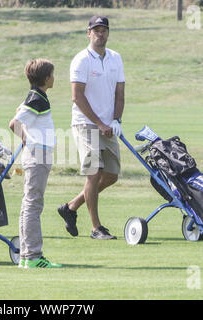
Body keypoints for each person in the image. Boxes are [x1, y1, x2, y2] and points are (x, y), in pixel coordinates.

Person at [58, 15, 125, 240]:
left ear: (108, 32)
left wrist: (116, 120)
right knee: (93, 173)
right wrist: (99, 123)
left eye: (103, 29)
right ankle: (96, 228)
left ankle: (71, 207)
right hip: (85, 123)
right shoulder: (81, 60)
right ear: (88, 33)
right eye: (95, 30)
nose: (100, 33)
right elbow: (77, 97)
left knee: (112, 175)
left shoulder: (116, 58)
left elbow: (120, 94)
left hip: (108, 125)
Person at [9, 59, 62, 268]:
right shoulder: (36, 98)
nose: (54, 78)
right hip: (37, 155)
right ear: (46, 78)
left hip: (38, 154)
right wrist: (24, 137)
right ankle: (32, 256)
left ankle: (26, 255)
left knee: (29, 204)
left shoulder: (37, 97)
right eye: (52, 74)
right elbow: (14, 123)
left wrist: (25, 136)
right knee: (33, 204)